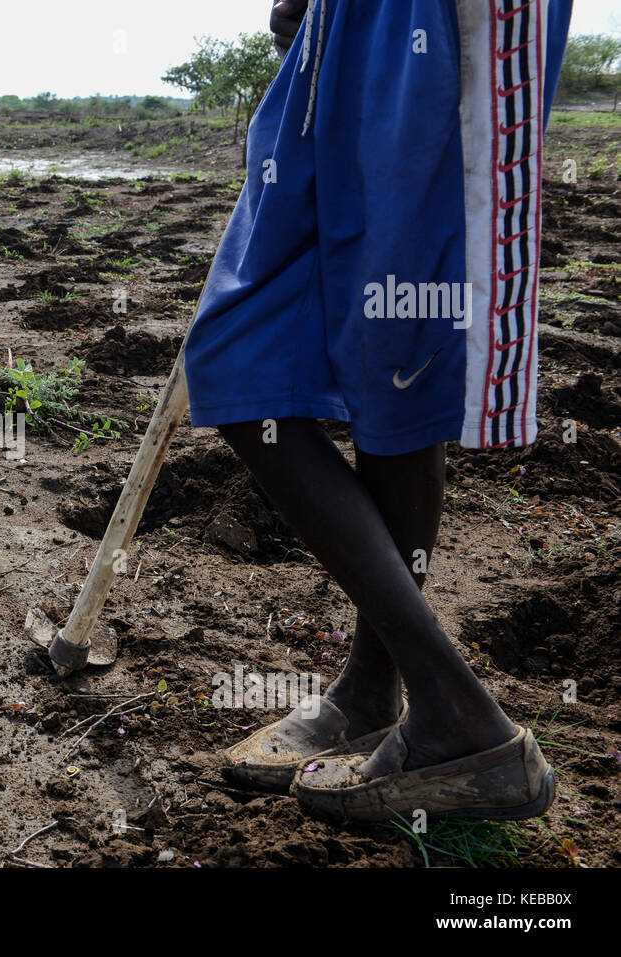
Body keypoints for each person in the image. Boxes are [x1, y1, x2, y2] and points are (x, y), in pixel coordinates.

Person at [195, 0, 573, 821]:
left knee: (402, 359)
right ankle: (378, 690)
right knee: (235, 349)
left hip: (453, 17)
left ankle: (448, 710)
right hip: (347, 22)